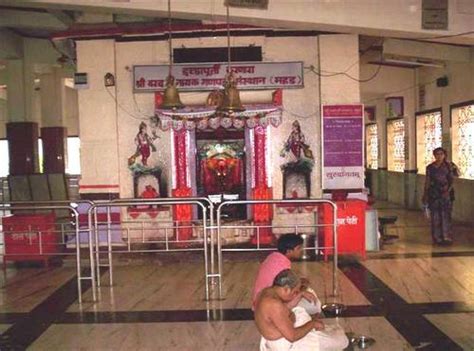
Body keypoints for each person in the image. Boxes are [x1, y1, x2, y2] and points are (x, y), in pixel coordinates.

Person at [255, 269, 349, 351]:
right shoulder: (274, 304)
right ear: (286, 289)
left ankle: (318, 332)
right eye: (295, 292)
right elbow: (292, 336)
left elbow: (284, 310)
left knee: (300, 311)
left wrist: (301, 294)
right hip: (284, 345)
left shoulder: (266, 292)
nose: (295, 295)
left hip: (280, 334)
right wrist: (312, 323)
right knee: (341, 340)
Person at [252, 234, 321, 314]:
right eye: (298, 248)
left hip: (260, 303)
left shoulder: (273, 257)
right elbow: (285, 293)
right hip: (267, 307)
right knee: (313, 305)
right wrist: (301, 291)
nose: (301, 250)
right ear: (289, 251)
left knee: (308, 292)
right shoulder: (282, 265)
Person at [422, 147, 459, 245]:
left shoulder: (448, 166)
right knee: (435, 216)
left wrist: (448, 191)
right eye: (437, 154)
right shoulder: (430, 167)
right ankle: (437, 237)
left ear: (444, 155)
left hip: (445, 193)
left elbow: (452, 180)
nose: (439, 156)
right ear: (434, 155)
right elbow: (428, 181)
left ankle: (446, 236)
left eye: (441, 154)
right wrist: (425, 194)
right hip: (434, 193)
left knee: (446, 215)